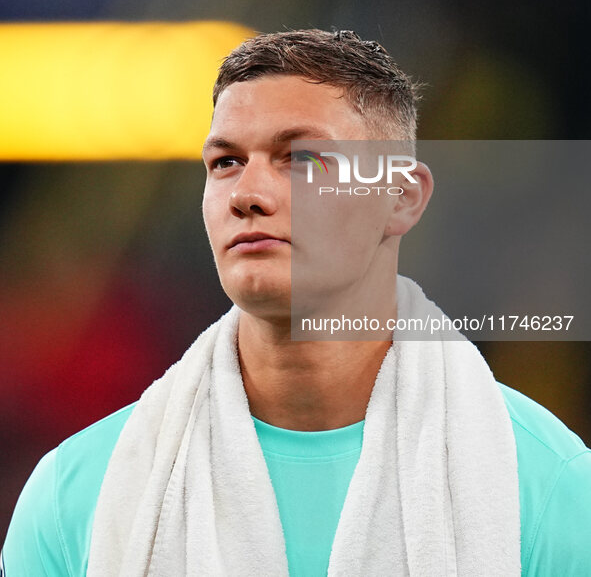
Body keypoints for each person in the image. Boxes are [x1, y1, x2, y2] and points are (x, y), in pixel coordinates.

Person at [3, 29, 591, 577]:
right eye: (226, 162)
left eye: (303, 159)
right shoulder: (73, 497)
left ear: (402, 199)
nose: (248, 194)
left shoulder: (547, 486)